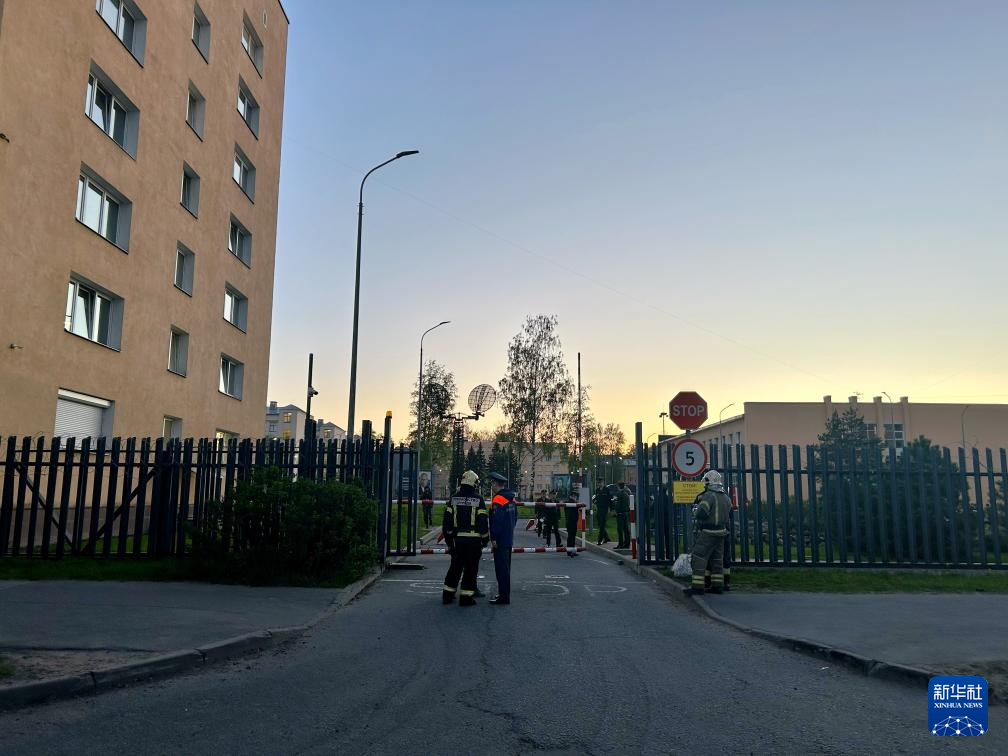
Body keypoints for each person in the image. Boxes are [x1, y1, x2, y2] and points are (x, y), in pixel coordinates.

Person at [442, 470, 489, 607]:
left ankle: (447, 596)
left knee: (455, 568)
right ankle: (466, 598)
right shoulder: (478, 499)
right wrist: (485, 539)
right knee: (470, 570)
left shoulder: (454, 498)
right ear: (474, 484)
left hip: (457, 541)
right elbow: (482, 522)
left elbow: (447, 523)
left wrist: (449, 542)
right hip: (474, 542)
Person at [684, 470, 732, 596]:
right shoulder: (726, 497)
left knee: (698, 557)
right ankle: (718, 586)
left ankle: (697, 587)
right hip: (722, 532)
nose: (704, 486)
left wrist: (695, 511)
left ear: (709, 482)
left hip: (709, 532)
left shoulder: (709, 496)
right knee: (717, 559)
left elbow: (701, 513)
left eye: (705, 483)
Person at [488, 471, 518, 605]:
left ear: (495, 484)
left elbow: (496, 520)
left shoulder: (498, 499)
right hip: (508, 537)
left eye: (492, 483)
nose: (491, 486)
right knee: (506, 568)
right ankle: (504, 594)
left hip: (500, 540)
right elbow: (515, 517)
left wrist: (494, 538)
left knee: (501, 569)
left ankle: (503, 597)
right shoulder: (511, 498)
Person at [615, 480, 631, 549]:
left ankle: (620, 544)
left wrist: (616, 511)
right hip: (626, 513)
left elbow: (618, 504)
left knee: (620, 529)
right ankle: (627, 544)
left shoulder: (619, 494)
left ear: (618, 486)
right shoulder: (627, 493)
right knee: (626, 529)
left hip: (620, 513)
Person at [564, 490, 580, 557]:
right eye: (574, 496)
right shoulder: (572, 503)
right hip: (572, 522)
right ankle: (570, 551)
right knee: (572, 537)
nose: (575, 497)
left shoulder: (568, 502)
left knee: (571, 537)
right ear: (572, 496)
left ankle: (570, 551)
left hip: (569, 522)